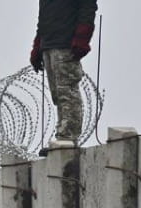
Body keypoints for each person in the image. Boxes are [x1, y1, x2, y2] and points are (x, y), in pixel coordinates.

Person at [30, 0, 98, 152]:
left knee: (67, 91)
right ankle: (62, 136)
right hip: (49, 45)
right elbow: (43, 19)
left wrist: (81, 38)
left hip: (66, 44)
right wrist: (37, 46)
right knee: (58, 94)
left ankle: (68, 138)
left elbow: (87, 8)